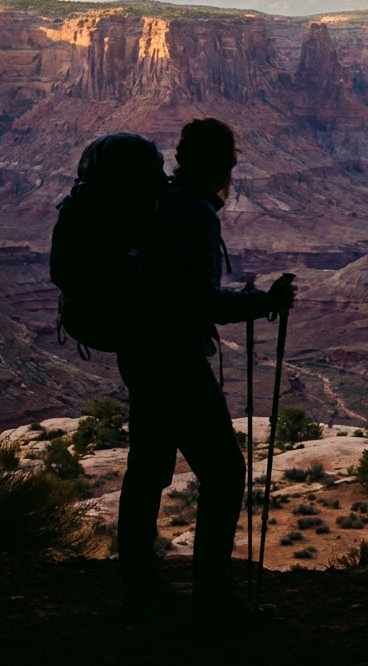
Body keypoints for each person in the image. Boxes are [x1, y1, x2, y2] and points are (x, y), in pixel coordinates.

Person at [116, 117, 295, 624]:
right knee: (224, 473)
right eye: (231, 159)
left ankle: (140, 592)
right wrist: (265, 302)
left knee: (147, 471)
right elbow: (201, 302)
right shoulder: (195, 214)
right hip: (175, 360)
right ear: (223, 165)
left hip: (140, 355)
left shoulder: (158, 204)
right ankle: (213, 601)